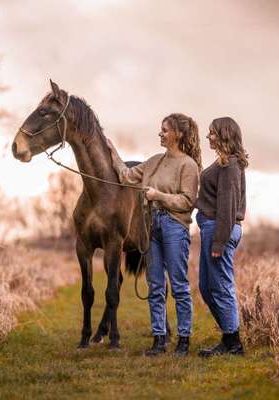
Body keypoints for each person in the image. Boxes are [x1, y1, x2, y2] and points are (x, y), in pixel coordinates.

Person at [106, 113, 201, 357]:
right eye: (160, 129)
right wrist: (113, 152)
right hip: (150, 226)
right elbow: (126, 176)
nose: (160, 133)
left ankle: (183, 340)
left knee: (179, 286)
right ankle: (159, 339)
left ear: (178, 135)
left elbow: (188, 201)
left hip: (174, 227)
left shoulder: (188, 165)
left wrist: (158, 196)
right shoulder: (153, 161)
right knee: (155, 285)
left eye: (164, 130)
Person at [195, 116, 248, 357]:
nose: (208, 137)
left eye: (212, 133)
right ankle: (229, 336)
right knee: (206, 287)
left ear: (225, 135)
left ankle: (233, 343)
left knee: (221, 286)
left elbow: (227, 206)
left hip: (220, 229)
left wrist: (219, 241)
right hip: (213, 228)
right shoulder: (223, 163)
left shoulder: (230, 165)